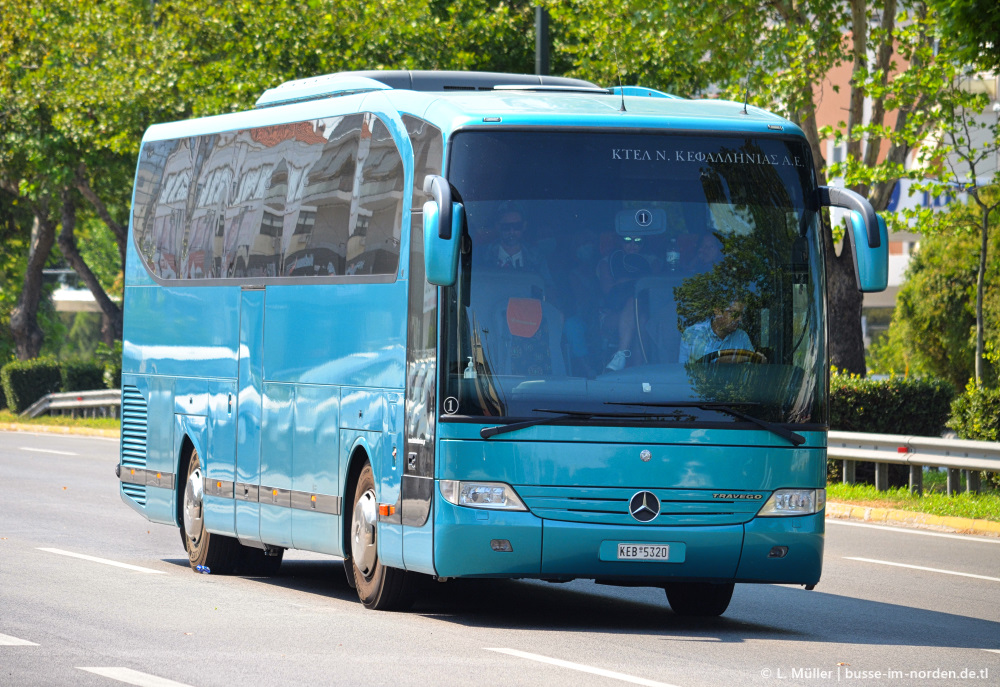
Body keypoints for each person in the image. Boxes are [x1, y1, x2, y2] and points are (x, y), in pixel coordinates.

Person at [598, 232, 659, 371]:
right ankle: (639, 366)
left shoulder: (652, 260)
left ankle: (624, 359)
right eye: (627, 240)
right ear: (620, 241)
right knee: (635, 308)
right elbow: (608, 291)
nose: (632, 245)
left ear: (643, 243)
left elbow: (653, 286)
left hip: (645, 311)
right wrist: (638, 281)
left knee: (641, 317)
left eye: (637, 241)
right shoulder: (607, 262)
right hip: (612, 314)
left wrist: (624, 281)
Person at [678, 300, 757, 363]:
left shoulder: (742, 336)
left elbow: (751, 370)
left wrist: (759, 361)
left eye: (740, 314)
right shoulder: (693, 334)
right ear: (718, 311)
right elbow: (685, 371)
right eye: (734, 313)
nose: (739, 319)